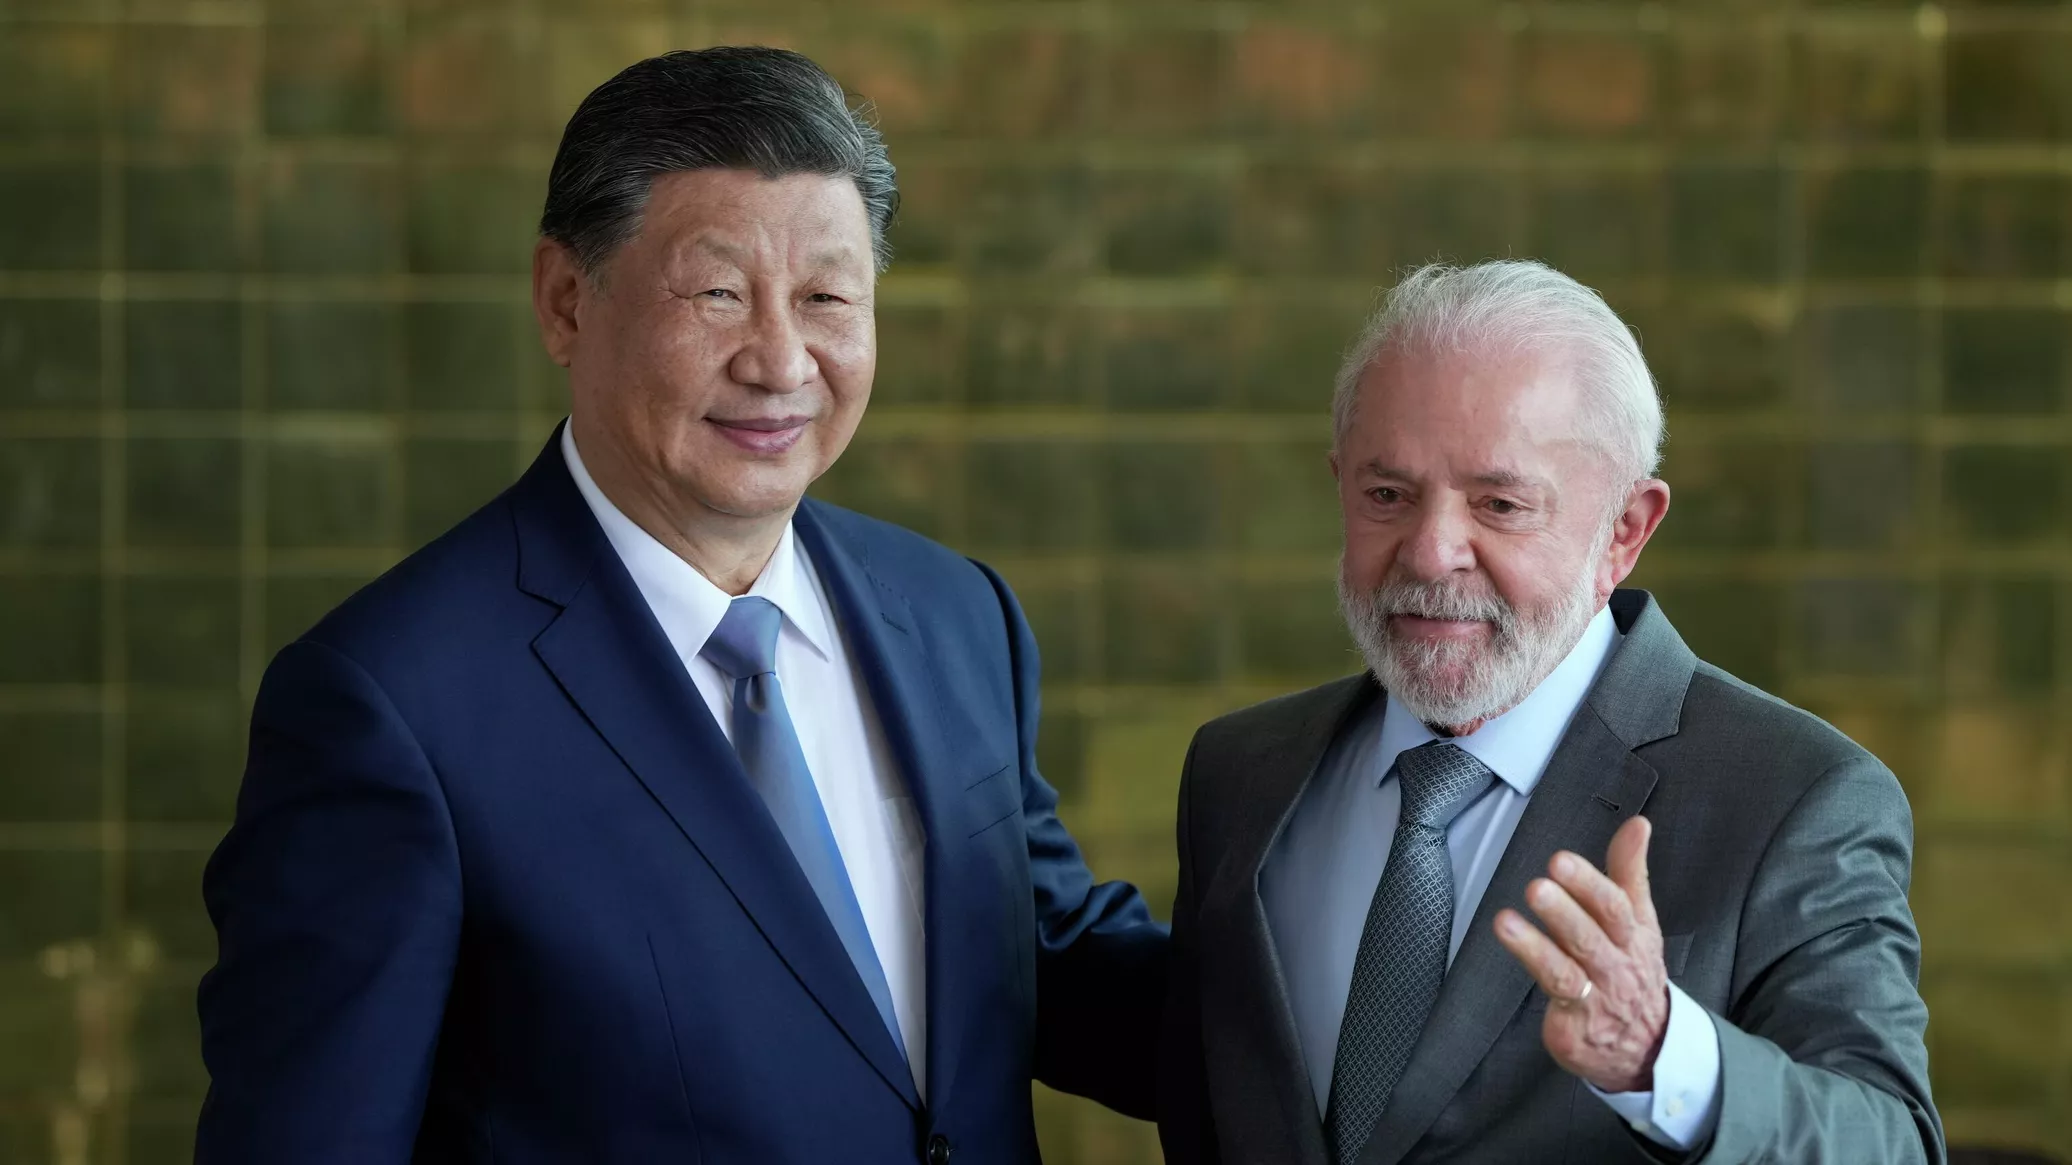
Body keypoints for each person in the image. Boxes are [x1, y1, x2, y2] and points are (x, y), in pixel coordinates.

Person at [196, 47, 1164, 1164]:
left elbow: (1043, 960)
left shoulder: (953, 613)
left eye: (826, 298)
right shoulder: (389, 708)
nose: (781, 361)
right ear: (565, 301)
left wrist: (1337, 972)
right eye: (717, 294)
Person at [1157, 260, 1943, 1164]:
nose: (1431, 551)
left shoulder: (1798, 798)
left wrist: (1663, 1057)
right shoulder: (1238, 775)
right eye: (1387, 496)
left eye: (1500, 504)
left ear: (1625, 531)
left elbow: (1891, 1142)